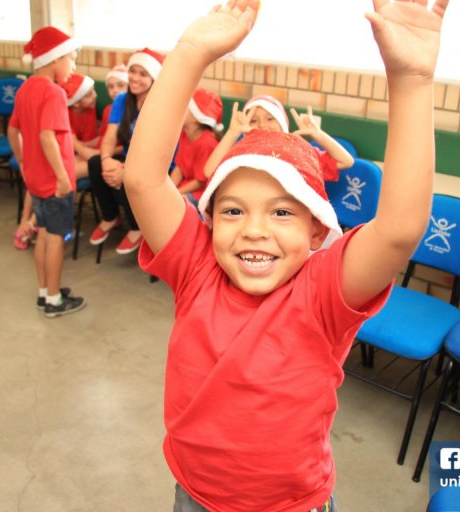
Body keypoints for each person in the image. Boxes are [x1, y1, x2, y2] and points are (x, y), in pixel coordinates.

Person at [123, 0, 448, 510]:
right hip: (196, 494)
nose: (253, 230)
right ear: (210, 223)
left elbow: (399, 231)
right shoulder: (197, 268)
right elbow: (142, 179)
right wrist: (189, 53)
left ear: (318, 231)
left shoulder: (322, 293)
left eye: (281, 214)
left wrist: (412, 79)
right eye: (231, 211)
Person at [8, 26, 86, 318]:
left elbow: (12, 129)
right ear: (56, 59)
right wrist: (64, 179)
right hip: (56, 184)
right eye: (72, 58)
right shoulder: (53, 92)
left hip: (37, 181)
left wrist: (24, 165)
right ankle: (54, 300)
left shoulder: (26, 87)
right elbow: (46, 137)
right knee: (56, 238)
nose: (73, 65)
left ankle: (44, 292)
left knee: (42, 234)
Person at [88, 48, 166, 255]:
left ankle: (136, 227)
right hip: (131, 158)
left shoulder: (160, 105)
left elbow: (156, 152)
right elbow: (110, 137)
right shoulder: (123, 99)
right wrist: (106, 160)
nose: (135, 78)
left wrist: (125, 171)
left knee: (128, 175)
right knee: (95, 163)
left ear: (153, 78)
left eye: (142, 74)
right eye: (133, 71)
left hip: (157, 166)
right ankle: (111, 216)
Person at [204, 94, 354, 181]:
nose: (262, 125)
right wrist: (232, 132)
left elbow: (346, 161)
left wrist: (318, 134)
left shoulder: (299, 152)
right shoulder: (243, 153)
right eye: (253, 121)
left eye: (270, 119)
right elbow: (209, 171)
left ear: (282, 122)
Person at [170, 87, 223, 207]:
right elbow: (180, 168)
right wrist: (169, 188)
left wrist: (175, 193)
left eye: (185, 107)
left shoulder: (207, 142)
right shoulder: (184, 133)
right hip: (185, 185)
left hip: (201, 192)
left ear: (198, 117)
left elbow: (200, 181)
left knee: (172, 205)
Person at [61, 72, 99, 179]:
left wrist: (81, 146)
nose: (95, 95)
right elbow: (72, 143)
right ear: (76, 103)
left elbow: (87, 143)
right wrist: (80, 146)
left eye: (93, 91)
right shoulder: (65, 112)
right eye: (89, 94)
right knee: (64, 173)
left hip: (75, 153)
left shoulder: (90, 109)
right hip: (60, 152)